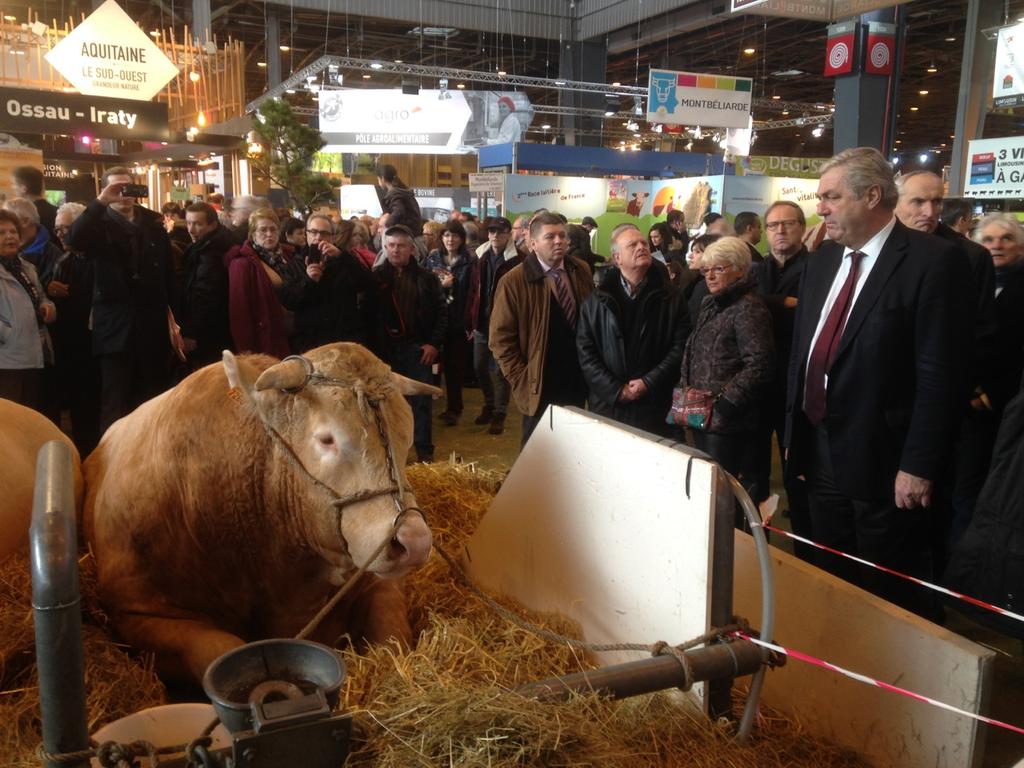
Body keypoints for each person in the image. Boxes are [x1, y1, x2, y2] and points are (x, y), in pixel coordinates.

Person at [785, 147, 972, 618]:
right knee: (830, 578)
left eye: (830, 196)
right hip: (818, 450)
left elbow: (939, 375)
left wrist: (919, 465)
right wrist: (793, 436)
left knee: (886, 594)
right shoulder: (824, 261)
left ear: (872, 196)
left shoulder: (934, 262)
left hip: (886, 464)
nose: (821, 207)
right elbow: (802, 355)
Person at [895, 171, 999, 549]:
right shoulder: (883, 249)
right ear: (895, 201)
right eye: (918, 202)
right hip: (888, 401)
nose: (929, 211)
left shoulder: (969, 257)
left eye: (937, 202)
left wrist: (965, 385)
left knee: (933, 503)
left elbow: (979, 333)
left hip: (941, 403)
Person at [66, 166, 181, 433]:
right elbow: (74, 240)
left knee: (153, 398)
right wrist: (99, 203)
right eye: (116, 188)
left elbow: (168, 276)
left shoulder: (154, 224)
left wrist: (178, 325)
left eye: (128, 187)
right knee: (115, 401)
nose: (123, 194)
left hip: (151, 326)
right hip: (115, 328)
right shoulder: (97, 225)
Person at [489, 211, 594, 446]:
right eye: (550, 237)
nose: (558, 241)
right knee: (537, 451)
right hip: (539, 379)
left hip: (578, 377)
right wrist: (521, 378)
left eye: (562, 236)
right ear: (532, 243)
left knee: (573, 445)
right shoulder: (513, 281)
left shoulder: (581, 270)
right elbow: (500, 339)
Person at [677, 236, 773, 491]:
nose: (710, 276)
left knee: (723, 493)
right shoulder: (711, 302)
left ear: (741, 268)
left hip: (728, 423)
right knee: (705, 488)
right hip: (701, 414)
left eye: (719, 268)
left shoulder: (748, 307)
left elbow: (760, 364)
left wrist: (726, 404)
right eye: (706, 270)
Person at [577, 223, 690, 436]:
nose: (641, 247)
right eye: (632, 245)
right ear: (617, 258)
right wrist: (616, 390)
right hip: (609, 405)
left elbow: (680, 347)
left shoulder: (672, 297)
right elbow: (586, 353)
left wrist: (648, 382)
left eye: (643, 243)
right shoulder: (595, 301)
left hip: (656, 404)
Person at [750, 201, 813, 559]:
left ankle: (807, 553)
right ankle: (759, 548)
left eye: (787, 224)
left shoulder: (817, 267)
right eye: (772, 225)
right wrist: (783, 301)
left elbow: (811, 310)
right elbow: (746, 302)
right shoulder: (756, 269)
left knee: (798, 473)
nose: (779, 231)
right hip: (759, 384)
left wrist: (768, 303)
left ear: (802, 228)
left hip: (798, 382)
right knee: (755, 472)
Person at [364, 225, 447, 462]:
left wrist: (433, 344)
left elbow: (442, 313)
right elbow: (367, 317)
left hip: (418, 350)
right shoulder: (375, 278)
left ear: (412, 248)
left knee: (421, 404)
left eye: (401, 245)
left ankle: (424, 453)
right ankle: (391, 452)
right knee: (386, 403)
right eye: (390, 245)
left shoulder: (427, 278)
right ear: (384, 247)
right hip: (384, 353)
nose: (395, 250)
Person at [49, 202, 100, 454]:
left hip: (98, 348)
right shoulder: (64, 260)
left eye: (67, 229)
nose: (61, 235)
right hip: (73, 349)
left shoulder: (100, 259)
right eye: (57, 230)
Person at [290, 213, 375, 353]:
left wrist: (342, 256)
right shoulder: (295, 263)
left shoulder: (344, 260)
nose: (318, 237)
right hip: (311, 343)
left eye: (324, 233)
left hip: (343, 341)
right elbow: (290, 300)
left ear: (333, 237)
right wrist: (309, 281)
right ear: (306, 234)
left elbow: (368, 284)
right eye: (314, 232)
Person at [224, 208, 301, 358]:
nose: (269, 234)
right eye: (262, 230)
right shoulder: (242, 263)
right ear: (252, 234)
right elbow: (239, 312)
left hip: (294, 336)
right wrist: (247, 352)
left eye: (273, 229)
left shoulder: (289, 256)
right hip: (265, 339)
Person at [424, 220, 479, 426]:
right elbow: (424, 287)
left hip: (458, 321)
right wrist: (441, 285)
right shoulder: (432, 258)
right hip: (434, 321)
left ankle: (455, 408)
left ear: (462, 239)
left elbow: (473, 292)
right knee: (431, 365)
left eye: (455, 235)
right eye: (446, 235)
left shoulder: (470, 260)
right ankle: (429, 403)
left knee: (455, 368)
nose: (450, 239)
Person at [0, 209, 56, 409]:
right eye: (2, 233)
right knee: (9, 422)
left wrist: (47, 307)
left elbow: (40, 297)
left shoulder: (26, 268)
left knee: (30, 416)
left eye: (13, 231)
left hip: (33, 354)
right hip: (6, 361)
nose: (9, 237)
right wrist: (8, 333)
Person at [472, 217, 523, 434]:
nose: (495, 235)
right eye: (492, 231)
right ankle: (489, 404)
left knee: (502, 370)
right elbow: (474, 289)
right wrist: (471, 317)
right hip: (482, 323)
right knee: (479, 366)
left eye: (500, 232)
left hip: (505, 324)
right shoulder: (480, 256)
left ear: (509, 234)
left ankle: (500, 412)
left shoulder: (519, 259)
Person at [974, 213, 1024, 420]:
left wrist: (991, 395)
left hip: (1009, 402)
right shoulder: (965, 282)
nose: (997, 245)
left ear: (1021, 247)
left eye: (1007, 238)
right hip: (965, 394)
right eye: (988, 239)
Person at [179, 202, 233, 370]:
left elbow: (204, 295)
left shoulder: (211, 253)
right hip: (214, 328)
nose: (191, 229)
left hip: (209, 332)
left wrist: (191, 332)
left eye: (198, 224)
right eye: (188, 223)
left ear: (212, 225)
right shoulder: (206, 247)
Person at [5, 197, 63, 289]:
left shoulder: (54, 257)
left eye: (10, 221)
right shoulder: (8, 252)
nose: (6, 226)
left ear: (25, 221)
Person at [11, 166, 57, 244]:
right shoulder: (58, 212)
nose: (12, 187)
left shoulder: (20, 216)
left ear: (23, 188)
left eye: (14, 184)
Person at [376, 164, 423, 238]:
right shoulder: (403, 191)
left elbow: (399, 211)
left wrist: (386, 225)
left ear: (382, 178)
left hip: (407, 231)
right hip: (414, 230)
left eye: (378, 180)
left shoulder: (394, 193)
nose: (378, 183)